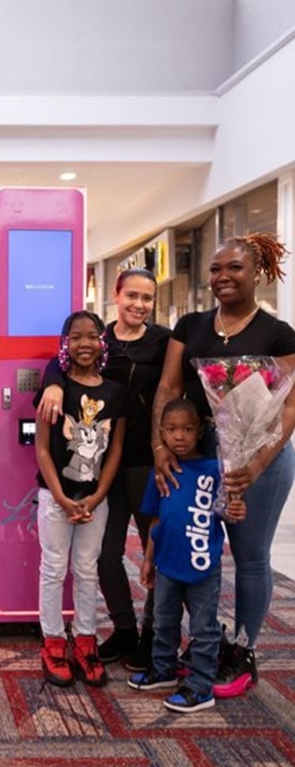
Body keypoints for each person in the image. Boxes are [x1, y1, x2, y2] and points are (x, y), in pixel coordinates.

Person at [153, 232, 295, 699]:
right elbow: (169, 387)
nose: (223, 277)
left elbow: (288, 408)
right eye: (215, 269)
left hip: (261, 456)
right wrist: (162, 448)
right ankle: (200, 640)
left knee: (249, 556)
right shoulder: (191, 326)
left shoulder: (278, 333)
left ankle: (243, 648)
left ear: (257, 272)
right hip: (198, 457)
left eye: (234, 268)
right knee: (197, 546)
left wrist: (255, 466)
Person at [37, 268, 170, 669]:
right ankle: (123, 629)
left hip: (145, 459)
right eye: (132, 295)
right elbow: (63, 361)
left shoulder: (163, 341)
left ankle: (154, 635)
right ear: (116, 294)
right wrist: (53, 383)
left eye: (147, 297)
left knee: (154, 551)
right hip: (96, 470)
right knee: (104, 556)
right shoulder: (100, 338)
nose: (139, 304)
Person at [128, 399, 246, 713]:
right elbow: (155, 519)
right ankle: (163, 670)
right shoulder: (162, 469)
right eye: (171, 430)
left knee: (203, 629)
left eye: (187, 429)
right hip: (167, 561)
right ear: (162, 434)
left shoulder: (215, 469)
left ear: (199, 431)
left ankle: (200, 687)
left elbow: (228, 512)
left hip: (202, 563)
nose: (179, 436)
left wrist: (236, 508)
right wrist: (148, 559)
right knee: (164, 620)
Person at [34, 311, 126, 688]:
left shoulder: (115, 392)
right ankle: (53, 641)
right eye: (76, 337)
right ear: (65, 343)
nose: (84, 344)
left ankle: (86, 640)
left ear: (102, 342)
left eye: (92, 336)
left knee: (87, 569)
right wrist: (60, 497)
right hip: (55, 496)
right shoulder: (54, 389)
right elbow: (42, 450)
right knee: (54, 568)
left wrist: (98, 495)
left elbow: (115, 450)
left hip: (95, 499)